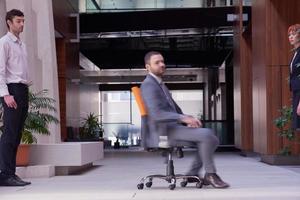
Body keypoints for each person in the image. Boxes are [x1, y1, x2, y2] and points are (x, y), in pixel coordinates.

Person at [140, 51, 229, 188]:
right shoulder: (148, 85)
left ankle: (193, 173)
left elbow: (175, 109)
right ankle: (210, 174)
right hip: (162, 132)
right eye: (157, 63)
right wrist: (183, 118)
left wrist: (189, 119)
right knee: (206, 135)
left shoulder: (160, 85)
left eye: (163, 61)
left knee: (211, 138)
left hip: (173, 128)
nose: (162, 64)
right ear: (147, 67)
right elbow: (157, 114)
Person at [0, 9, 31, 186]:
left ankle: (11, 173)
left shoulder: (21, 44)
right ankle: (4, 174)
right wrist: (5, 94)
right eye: (18, 21)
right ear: (9, 23)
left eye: (23, 21)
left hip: (22, 89)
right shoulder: (4, 43)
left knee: (17, 133)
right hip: (11, 90)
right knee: (9, 134)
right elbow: (0, 71)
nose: (22, 24)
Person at [288, 24, 300, 130]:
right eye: (289, 35)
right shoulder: (295, 53)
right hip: (296, 92)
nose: (291, 37)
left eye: (293, 34)